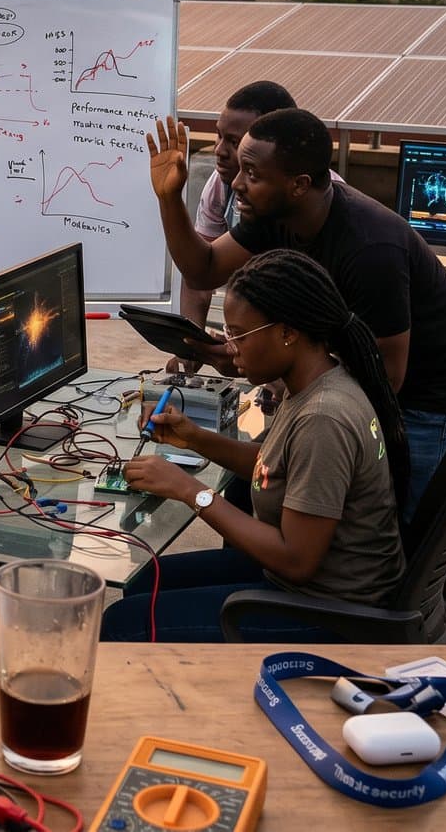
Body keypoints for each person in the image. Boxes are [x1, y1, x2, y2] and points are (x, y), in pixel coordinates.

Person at [146, 109, 446, 515]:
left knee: (397, 525)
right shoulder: (273, 214)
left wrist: (272, 367)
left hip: (428, 396)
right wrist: (169, 198)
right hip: (354, 378)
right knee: (250, 492)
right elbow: (203, 269)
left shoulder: (370, 249)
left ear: (299, 185)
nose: (236, 182)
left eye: (251, 173)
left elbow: (385, 378)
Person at [101, 249, 407, 643]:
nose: (230, 348)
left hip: (329, 609)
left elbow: (296, 561)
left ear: (287, 333)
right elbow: (275, 465)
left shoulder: (323, 418)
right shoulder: (314, 379)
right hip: (305, 582)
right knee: (143, 582)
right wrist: (192, 437)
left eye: (238, 335)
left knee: (120, 623)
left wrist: (190, 490)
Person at [177, 81, 301, 336]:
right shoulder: (221, 185)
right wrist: (191, 343)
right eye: (219, 135)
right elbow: (199, 275)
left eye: (234, 142)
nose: (219, 150)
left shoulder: (311, 204)